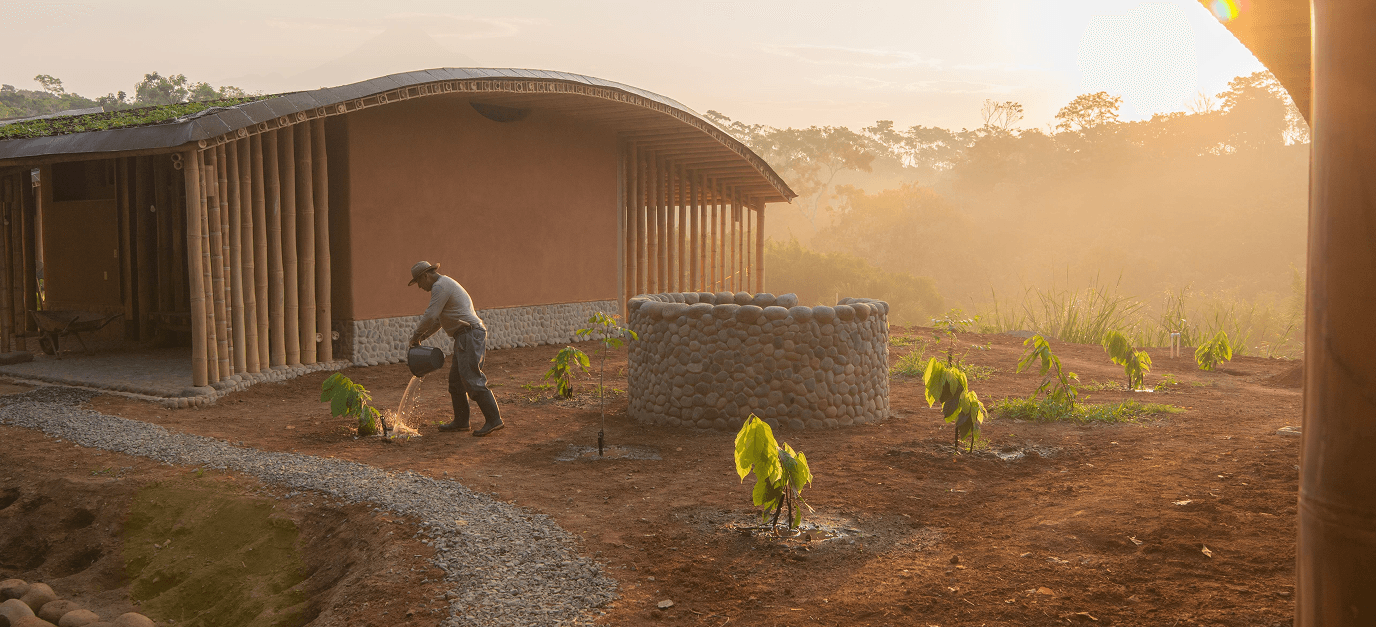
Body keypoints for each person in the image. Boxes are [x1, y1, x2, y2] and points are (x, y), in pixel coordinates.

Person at [407, 261, 504, 436]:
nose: (420, 287)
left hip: (469, 334)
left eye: (419, 282)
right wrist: (421, 337)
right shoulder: (445, 285)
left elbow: (430, 315)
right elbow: (437, 321)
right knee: (456, 382)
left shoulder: (440, 286)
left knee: (471, 377)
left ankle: (494, 419)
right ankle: (461, 421)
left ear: (425, 276)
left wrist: (415, 337)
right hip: (465, 336)